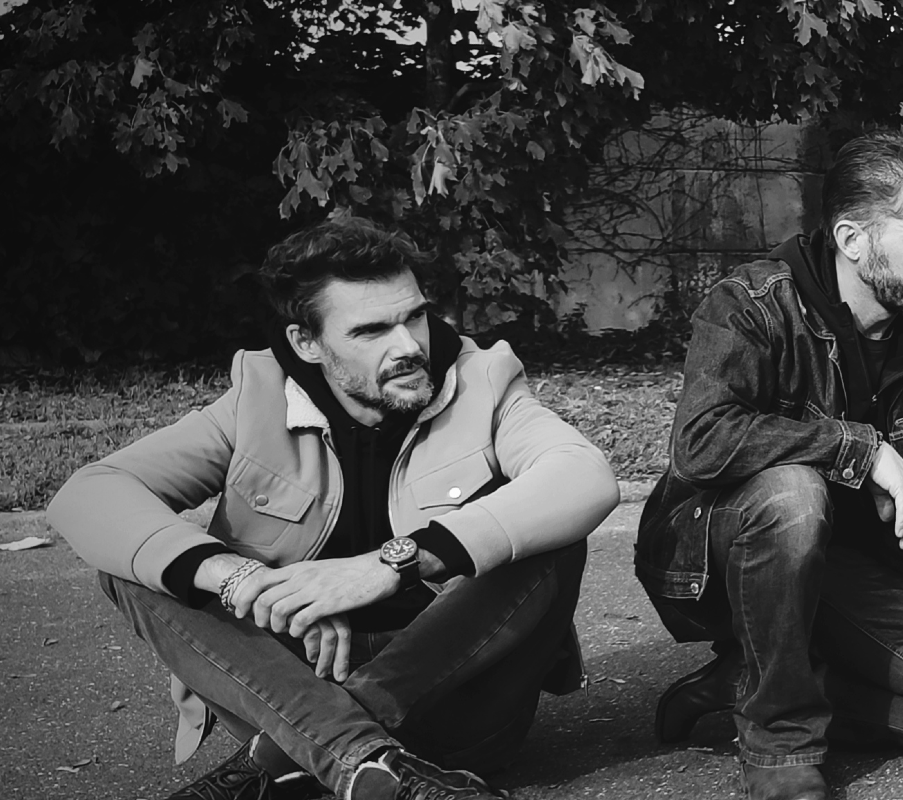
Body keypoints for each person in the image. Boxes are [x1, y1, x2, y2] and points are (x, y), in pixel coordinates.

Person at [48, 216, 620, 800]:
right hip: (295, 688)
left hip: (453, 708)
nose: (409, 347)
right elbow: (91, 493)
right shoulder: (258, 397)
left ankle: (298, 759)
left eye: (415, 316)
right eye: (372, 331)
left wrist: (390, 564)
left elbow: (582, 476)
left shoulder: (483, 380)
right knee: (137, 566)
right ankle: (364, 764)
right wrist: (241, 578)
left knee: (548, 539)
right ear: (306, 342)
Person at [634, 131, 903, 800]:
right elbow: (702, 440)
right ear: (854, 239)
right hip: (733, 559)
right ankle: (778, 745)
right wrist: (861, 449)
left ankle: (754, 681)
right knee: (794, 495)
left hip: (854, 575)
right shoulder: (752, 307)